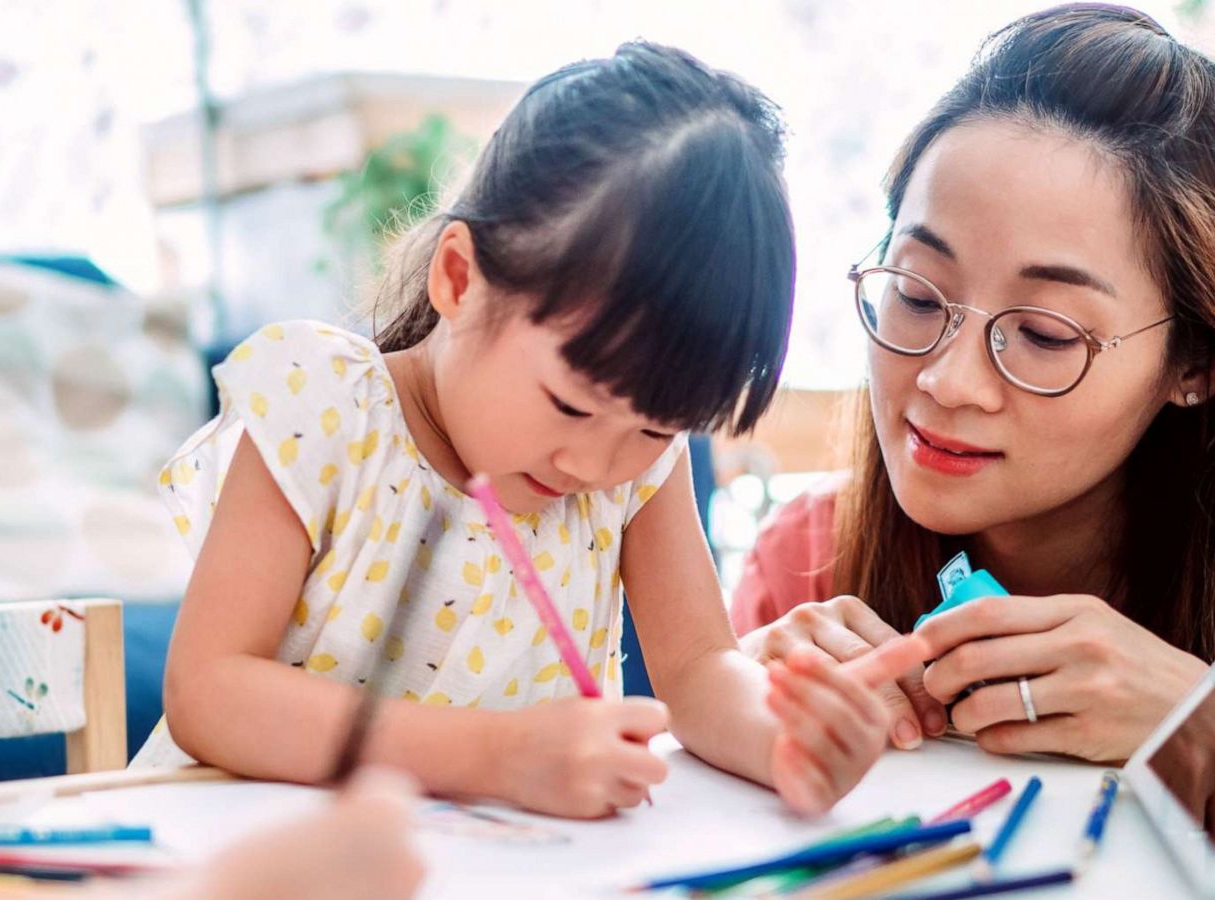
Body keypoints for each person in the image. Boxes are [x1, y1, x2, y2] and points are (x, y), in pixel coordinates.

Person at [733, 4, 1215, 801]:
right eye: (918, 296)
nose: (946, 381)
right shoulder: (806, 557)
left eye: (1043, 334)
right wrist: (726, 729)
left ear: (1201, 362)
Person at [141, 41, 926, 820]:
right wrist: (495, 757)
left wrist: (779, 743)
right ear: (458, 278)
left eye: (658, 428)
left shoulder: (636, 467)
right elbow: (209, 691)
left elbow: (698, 671)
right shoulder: (326, 409)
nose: (595, 464)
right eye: (572, 405)